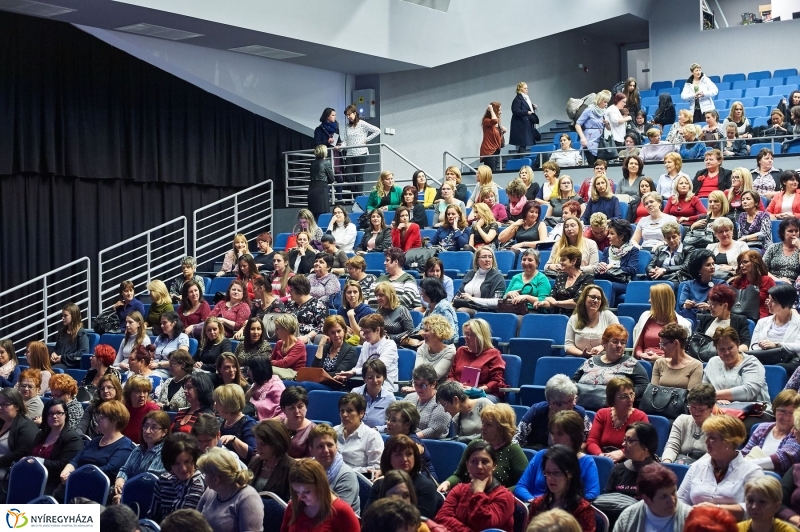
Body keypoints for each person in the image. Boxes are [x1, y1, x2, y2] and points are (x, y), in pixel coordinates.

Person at [677, 414, 763, 519]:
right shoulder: (696, 467)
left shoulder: (752, 472)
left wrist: (716, 509)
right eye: (706, 436)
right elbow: (680, 501)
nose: (706, 441)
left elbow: (757, 507)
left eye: (712, 438)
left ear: (728, 442)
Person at [55, 400, 134, 502]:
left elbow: (108, 470)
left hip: (96, 491)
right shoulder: (96, 440)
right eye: (99, 415)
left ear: (114, 421)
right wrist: (66, 472)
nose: (98, 419)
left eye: (103, 417)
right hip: (77, 483)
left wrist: (75, 476)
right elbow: (76, 460)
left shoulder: (125, 446)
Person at [516, 411, 600, 502]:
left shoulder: (586, 462)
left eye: (560, 434)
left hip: (568, 511)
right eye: (552, 433)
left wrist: (562, 504)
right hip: (535, 506)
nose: (554, 438)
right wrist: (534, 502)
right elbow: (521, 486)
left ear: (574, 436)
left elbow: (592, 494)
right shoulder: (541, 455)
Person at [434, 439, 516, 532]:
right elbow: (441, 518)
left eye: (485, 461)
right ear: (467, 465)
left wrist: (478, 493)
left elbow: (485, 527)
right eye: (474, 461)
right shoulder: (459, 490)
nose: (479, 466)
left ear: (494, 465)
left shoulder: (505, 496)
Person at [366, 435, 443, 519]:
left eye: (409, 454)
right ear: (388, 458)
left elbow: (419, 522)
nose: (405, 459)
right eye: (398, 455)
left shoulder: (425, 486)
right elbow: (367, 518)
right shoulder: (379, 484)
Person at [527, 445, 596, 531]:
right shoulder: (537, 504)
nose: (550, 478)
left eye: (556, 473)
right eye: (547, 472)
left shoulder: (583, 510)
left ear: (570, 473)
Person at [512, 374, 591, 449]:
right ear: (553, 403)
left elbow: (589, 440)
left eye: (574, 398)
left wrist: (573, 452)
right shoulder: (536, 411)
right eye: (569, 401)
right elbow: (516, 439)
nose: (574, 404)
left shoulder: (579, 413)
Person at [280, 459, 360, 531]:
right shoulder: (293, 507)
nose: (301, 497)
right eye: (297, 492)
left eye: (307, 492)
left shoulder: (342, 512)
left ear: (321, 486)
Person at [583, 375, 650, 462]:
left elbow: (643, 445)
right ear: (612, 399)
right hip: (603, 457)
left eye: (631, 394)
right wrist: (602, 457)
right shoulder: (602, 413)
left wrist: (622, 453)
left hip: (629, 461)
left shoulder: (640, 416)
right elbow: (592, 441)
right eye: (624, 396)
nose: (630, 399)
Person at [196, 447, 263, 532]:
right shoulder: (210, 492)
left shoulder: (249, 498)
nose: (203, 478)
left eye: (205, 474)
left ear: (216, 480)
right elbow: (195, 521)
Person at [613, 463, 692, 532]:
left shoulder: (691, 518)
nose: (672, 500)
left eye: (673, 492)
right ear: (647, 499)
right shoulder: (628, 518)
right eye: (663, 497)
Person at [703, 326, 770, 408]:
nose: (726, 352)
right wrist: (716, 400)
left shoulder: (752, 363)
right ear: (716, 349)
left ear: (738, 345)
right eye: (721, 349)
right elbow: (705, 389)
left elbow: (749, 391)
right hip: (719, 408)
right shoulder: (713, 363)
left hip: (753, 410)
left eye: (730, 348)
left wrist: (713, 396)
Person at [112, 410, 169, 504]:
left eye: (154, 427)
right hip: (126, 495)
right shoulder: (139, 448)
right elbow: (125, 469)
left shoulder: (164, 452)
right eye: (146, 426)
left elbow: (147, 481)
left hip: (146, 500)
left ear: (164, 432)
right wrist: (120, 479)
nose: (147, 431)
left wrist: (125, 494)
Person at [741, 389, 800, 475]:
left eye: (791, 413)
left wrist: (743, 464)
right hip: (749, 474)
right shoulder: (762, 428)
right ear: (775, 410)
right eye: (782, 411)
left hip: (775, 484)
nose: (786, 416)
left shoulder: (797, 435)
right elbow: (745, 453)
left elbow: (781, 460)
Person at [150, 433, 207, 522]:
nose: (183, 468)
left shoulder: (203, 485)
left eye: (188, 461)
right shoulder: (163, 481)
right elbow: (153, 516)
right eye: (177, 464)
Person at [306, 423, 360, 515]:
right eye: (320, 446)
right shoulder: (306, 470)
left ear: (336, 446)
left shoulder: (347, 475)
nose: (326, 450)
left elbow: (337, 513)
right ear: (311, 450)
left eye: (330, 445)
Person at [448, 319, 506, 403]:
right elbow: (451, 375)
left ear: (479, 336)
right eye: (465, 334)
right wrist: (457, 386)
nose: (465, 337)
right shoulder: (461, 351)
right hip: (459, 392)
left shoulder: (493, 353)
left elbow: (496, 381)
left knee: (472, 403)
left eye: (468, 334)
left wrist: (477, 390)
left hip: (484, 394)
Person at [335, 314, 398, 391]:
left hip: (386, 386)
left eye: (367, 332)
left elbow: (378, 369)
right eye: (363, 332)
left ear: (378, 330)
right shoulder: (366, 344)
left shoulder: (390, 345)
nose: (364, 336)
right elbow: (359, 366)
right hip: (367, 384)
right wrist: (350, 372)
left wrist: (354, 372)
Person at [755, 285, 800, 387]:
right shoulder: (762, 322)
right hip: (764, 357)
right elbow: (753, 346)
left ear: (786, 303)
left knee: (777, 369)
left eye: (773, 301)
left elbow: (798, 346)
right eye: (768, 299)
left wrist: (777, 345)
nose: (768, 303)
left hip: (790, 360)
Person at [633, 284, 693, 361]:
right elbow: (638, 345)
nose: (649, 301)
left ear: (660, 302)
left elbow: (683, 354)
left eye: (652, 298)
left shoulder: (683, 324)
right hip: (645, 361)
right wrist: (641, 355)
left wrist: (659, 358)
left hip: (671, 364)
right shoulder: (645, 317)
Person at [661, 383, 717, 464]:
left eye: (701, 409)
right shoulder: (682, 420)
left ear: (711, 408)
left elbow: (712, 454)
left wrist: (691, 468)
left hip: (704, 466)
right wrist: (667, 462)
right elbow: (672, 446)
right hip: (681, 462)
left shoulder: (719, 426)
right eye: (692, 407)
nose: (696, 412)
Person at [535, 246, 595, 315]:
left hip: (577, 318)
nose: (560, 262)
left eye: (563, 260)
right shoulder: (560, 277)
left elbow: (578, 302)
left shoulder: (587, 278)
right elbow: (551, 298)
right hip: (558, 317)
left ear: (573, 261)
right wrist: (542, 303)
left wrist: (556, 303)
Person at [604, 421, 659, 497]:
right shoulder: (618, 470)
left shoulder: (660, 475)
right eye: (624, 440)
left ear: (646, 445)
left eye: (629, 440)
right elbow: (605, 500)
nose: (623, 444)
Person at [333, 393, 383, 475]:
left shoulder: (372, 436)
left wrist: (347, 472)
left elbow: (375, 467)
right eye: (342, 411)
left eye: (349, 411)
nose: (344, 414)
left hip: (357, 478)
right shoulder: (334, 431)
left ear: (361, 413)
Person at [565, 284, 619, 358]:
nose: (596, 300)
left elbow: (618, 338)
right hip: (580, 358)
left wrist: (603, 347)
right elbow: (568, 346)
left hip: (604, 358)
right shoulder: (574, 318)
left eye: (599, 298)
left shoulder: (608, 316)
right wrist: (582, 354)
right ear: (584, 298)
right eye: (593, 297)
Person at [246, 419, 294, 502]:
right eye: (257, 443)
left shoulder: (292, 468)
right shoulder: (255, 461)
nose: (258, 448)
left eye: (263, 444)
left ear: (277, 444)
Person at [0, 387, 38, 490]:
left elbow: (21, 454)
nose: (0, 407)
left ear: (16, 406)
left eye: (5, 404)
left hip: (7, 476)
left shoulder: (26, 427)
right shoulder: (2, 420)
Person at [697, 283, 751, 353]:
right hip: (703, 356)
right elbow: (695, 340)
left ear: (725, 306)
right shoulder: (705, 319)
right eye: (709, 303)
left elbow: (745, 345)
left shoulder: (740, 320)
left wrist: (727, 353)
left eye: (713, 304)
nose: (709, 307)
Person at [594, 218, 638, 302]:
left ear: (621, 236)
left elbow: (631, 270)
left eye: (612, 233)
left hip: (626, 283)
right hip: (608, 281)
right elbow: (601, 270)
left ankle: (606, 312)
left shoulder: (633, 250)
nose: (608, 236)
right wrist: (600, 267)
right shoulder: (607, 250)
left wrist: (610, 268)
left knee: (610, 285)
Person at [402, 365, 451, 440]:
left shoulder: (441, 402)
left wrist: (409, 438)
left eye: (423, 385)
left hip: (431, 444)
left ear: (433, 384)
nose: (418, 389)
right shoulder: (409, 397)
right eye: (416, 384)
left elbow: (434, 431)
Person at [453, 248, 506, 316]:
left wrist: (472, 299)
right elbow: (459, 293)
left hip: (485, 310)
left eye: (490, 257)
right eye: (484, 257)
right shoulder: (470, 274)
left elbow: (497, 302)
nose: (487, 260)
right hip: (466, 305)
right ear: (477, 260)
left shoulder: (498, 277)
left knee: (461, 311)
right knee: (449, 310)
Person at [652, 323, 704, 390]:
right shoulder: (659, 363)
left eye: (663, 344)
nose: (661, 348)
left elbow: (692, 397)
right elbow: (653, 392)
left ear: (676, 343)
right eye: (660, 344)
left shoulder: (696, 365)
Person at [677, 250, 724, 321]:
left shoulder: (721, 284)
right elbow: (682, 303)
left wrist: (709, 307)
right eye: (708, 265)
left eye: (713, 264)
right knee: (685, 312)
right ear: (698, 269)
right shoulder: (688, 284)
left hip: (711, 317)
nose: (712, 267)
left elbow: (725, 306)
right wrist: (686, 304)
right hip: (691, 316)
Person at [214, 384, 257, 463]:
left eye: (218, 402)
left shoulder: (248, 423)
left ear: (228, 405)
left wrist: (234, 440)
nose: (215, 405)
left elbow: (254, 454)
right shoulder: (222, 420)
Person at [728, 250, 776, 321]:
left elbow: (777, 301)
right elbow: (729, 297)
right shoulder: (739, 280)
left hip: (761, 316)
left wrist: (770, 302)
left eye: (745, 262)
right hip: (739, 314)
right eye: (740, 263)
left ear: (755, 263)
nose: (741, 265)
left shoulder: (767, 280)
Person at [503, 248, 551, 313]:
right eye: (524, 259)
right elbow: (503, 297)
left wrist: (527, 297)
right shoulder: (515, 277)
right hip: (512, 310)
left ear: (537, 263)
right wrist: (508, 294)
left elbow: (544, 300)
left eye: (530, 260)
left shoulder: (542, 278)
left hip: (533, 311)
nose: (526, 263)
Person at [285, 275, 329, 346]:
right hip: (288, 338)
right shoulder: (290, 305)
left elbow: (322, 326)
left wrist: (308, 337)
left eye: (292, 289)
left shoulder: (318, 304)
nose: (289, 292)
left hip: (307, 339)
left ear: (299, 289)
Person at [412, 314, 456, 380]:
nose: (422, 333)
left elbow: (434, 377)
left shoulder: (449, 352)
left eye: (426, 331)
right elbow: (417, 373)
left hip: (438, 389)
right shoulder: (422, 348)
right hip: (419, 386)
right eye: (423, 330)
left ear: (438, 332)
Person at [78, 374, 123, 439]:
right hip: (90, 442)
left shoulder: (122, 409)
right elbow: (82, 426)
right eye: (102, 388)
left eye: (109, 387)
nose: (105, 391)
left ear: (117, 389)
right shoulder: (93, 407)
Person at [415, 277, 458, 344]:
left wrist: (428, 341)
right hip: (429, 343)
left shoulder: (444, 308)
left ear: (430, 291)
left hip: (443, 347)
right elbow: (420, 328)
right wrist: (411, 335)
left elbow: (451, 336)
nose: (421, 294)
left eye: (422, 291)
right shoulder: (430, 306)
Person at [49, 303, 89, 370]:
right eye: (62, 315)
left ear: (74, 316)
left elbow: (83, 353)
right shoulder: (62, 332)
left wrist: (62, 358)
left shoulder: (81, 333)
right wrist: (53, 354)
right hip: (58, 362)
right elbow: (57, 348)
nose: (63, 318)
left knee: (51, 371)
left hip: (69, 364)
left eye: (65, 316)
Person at [121, 374, 160, 444]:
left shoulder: (152, 409)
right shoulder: (123, 409)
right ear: (129, 393)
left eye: (145, 391)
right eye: (138, 391)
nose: (142, 395)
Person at [575, 91, 610, 166]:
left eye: (607, 102)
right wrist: (582, 137)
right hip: (589, 140)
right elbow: (578, 124)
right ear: (599, 100)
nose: (606, 104)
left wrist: (607, 123)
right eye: (605, 102)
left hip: (600, 142)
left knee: (601, 164)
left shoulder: (604, 112)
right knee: (592, 164)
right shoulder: (589, 110)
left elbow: (609, 128)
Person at [280, 387, 316, 459]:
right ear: (283, 410)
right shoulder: (277, 426)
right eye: (291, 408)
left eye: (300, 406)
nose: (296, 411)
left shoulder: (314, 430)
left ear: (306, 407)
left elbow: (312, 461)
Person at [763, 218, 800, 284]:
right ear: (783, 233)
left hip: (793, 285)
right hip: (773, 282)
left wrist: (799, 247)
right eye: (790, 231)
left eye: (796, 231)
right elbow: (761, 268)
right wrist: (778, 280)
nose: (794, 234)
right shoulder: (773, 247)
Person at [270, 313, 307, 379]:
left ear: (286, 329)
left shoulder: (299, 346)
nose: (275, 331)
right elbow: (271, 359)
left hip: (294, 376)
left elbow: (284, 364)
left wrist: (272, 362)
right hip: (278, 374)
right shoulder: (279, 343)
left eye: (277, 328)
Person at [509, 81, 538, 153]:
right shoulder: (517, 99)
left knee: (524, 144)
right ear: (520, 89)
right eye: (525, 88)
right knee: (523, 143)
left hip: (526, 124)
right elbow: (515, 111)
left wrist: (532, 107)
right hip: (521, 125)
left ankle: (520, 159)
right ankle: (521, 159)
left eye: (527, 88)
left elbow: (525, 108)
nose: (527, 90)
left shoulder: (525, 98)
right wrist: (526, 112)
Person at [309, 144, 334, 218]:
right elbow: (332, 179)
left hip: (312, 189)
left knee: (313, 217)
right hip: (322, 189)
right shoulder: (326, 162)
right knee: (323, 215)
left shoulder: (312, 163)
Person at [479, 102, 505, 172]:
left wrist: (502, 133)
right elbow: (494, 120)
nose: (501, 112)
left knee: (495, 172)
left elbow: (497, 138)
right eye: (499, 110)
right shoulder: (486, 121)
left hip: (495, 150)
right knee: (491, 172)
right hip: (488, 151)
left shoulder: (497, 124)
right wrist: (491, 110)